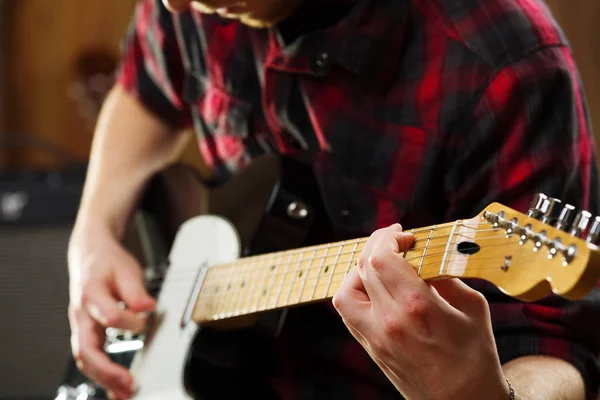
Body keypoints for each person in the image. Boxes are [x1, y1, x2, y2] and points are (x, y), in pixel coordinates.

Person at [67, 0, 600, 399]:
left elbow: (560, 350)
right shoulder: (192, 4)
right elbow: (147, 89)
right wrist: (92, 233)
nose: (175, 6)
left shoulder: (506, 58)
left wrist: (475, 394)